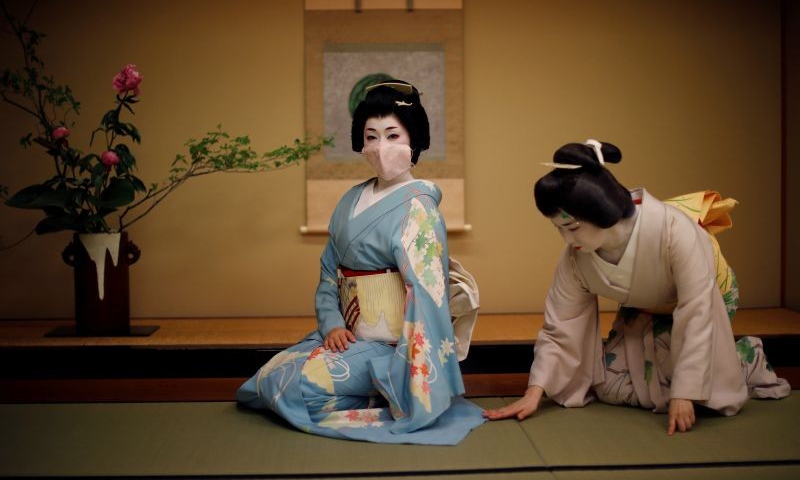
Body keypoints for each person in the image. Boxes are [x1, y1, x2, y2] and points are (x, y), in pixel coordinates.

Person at [483, 140, 789, 435]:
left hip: (708, 300)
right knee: (608, 387)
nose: (567, 240)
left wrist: (685, 392)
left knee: (702, 396)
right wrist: (535, 391)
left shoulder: (674, 230)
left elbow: (698, 306)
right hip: (643, 306)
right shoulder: (576, 258)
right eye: (558, 229)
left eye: (572, 227)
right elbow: (561, 324)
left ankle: (744, 359)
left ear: (602, 212)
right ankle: (686, 369)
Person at [237, 80, 484, 444]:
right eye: (371, 137)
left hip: (390, 346)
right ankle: (370, 387)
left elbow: (427, 294)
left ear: (414, 140)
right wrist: (333, 324)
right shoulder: (350, 199)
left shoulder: (420, 208)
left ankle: (389, 386)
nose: (381, 147)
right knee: (266, 380)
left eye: (392, 135)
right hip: (347, 337)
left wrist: (409, 368)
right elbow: (328, 273)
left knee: (300, 391)